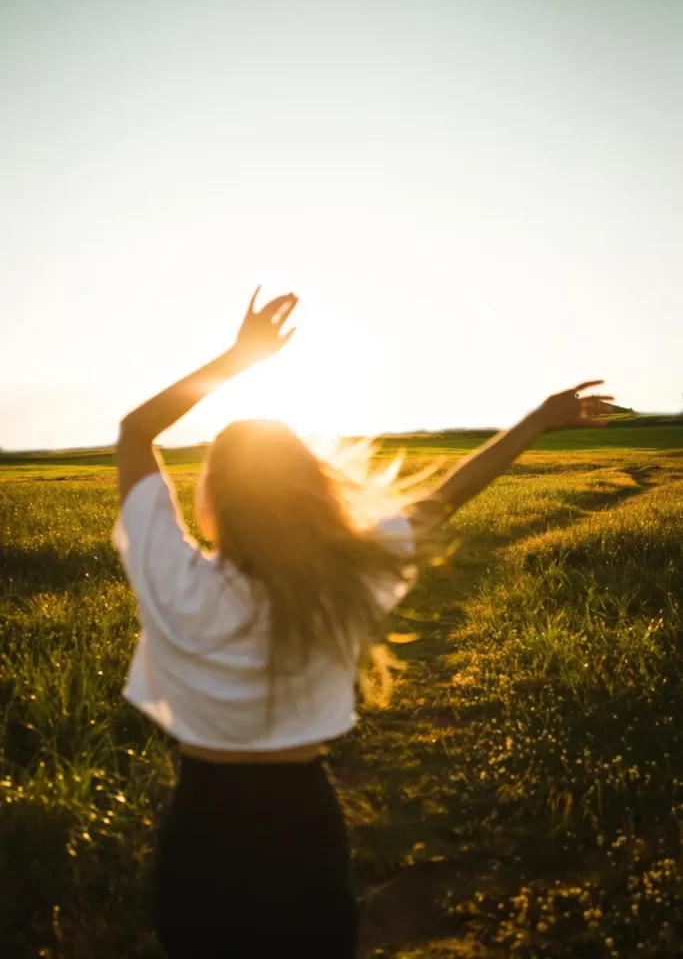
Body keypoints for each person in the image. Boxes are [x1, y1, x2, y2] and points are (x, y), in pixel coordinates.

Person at [113, 288, 612, 958]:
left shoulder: (172, 579)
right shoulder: (340, 582)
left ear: (213, 497)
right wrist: (538, 421)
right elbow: (448, 497)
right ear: (305, 492)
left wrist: (239, 358)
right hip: (301, 817)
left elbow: (135, 431)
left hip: (202, 821)